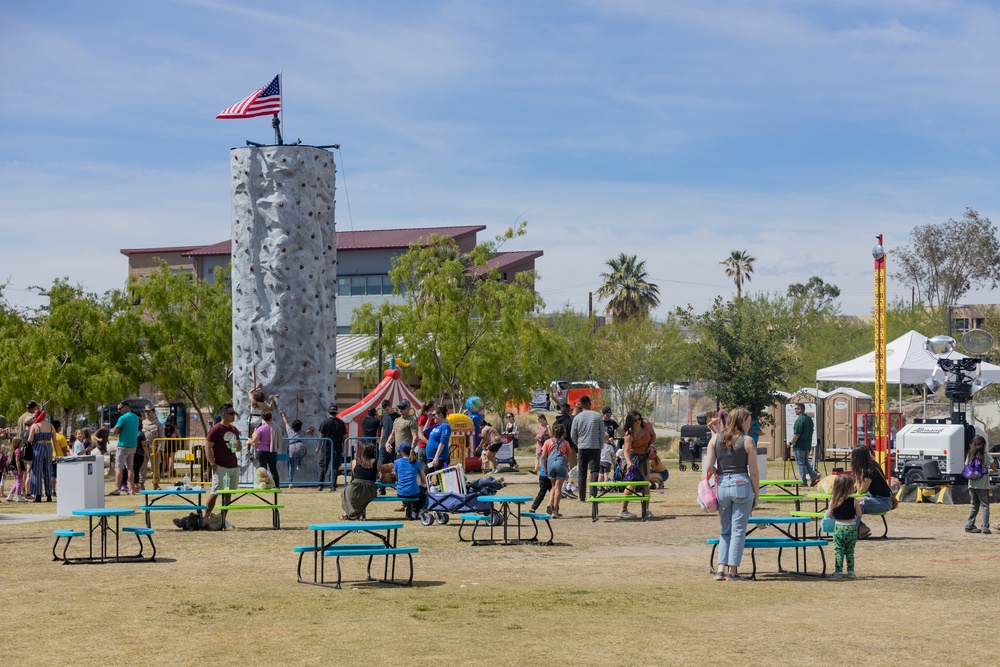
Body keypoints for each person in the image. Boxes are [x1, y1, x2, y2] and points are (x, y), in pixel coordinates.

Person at [703, 406, 759, 581]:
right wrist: (757, 494)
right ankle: (732, 571)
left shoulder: (715, 439)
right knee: (738, 530)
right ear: (741, 421)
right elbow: (755, 472)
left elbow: (709, 468)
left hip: (722, 485)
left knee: (725, 529)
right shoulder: (748, 441)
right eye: (748, 422)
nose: (749, 426)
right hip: (742, 483)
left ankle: (720, 569)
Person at [202, 403, 242, 526]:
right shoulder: (216, 429)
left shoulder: (234, 429)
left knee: (228, 495)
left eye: (234, 413)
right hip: (220, 466)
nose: (233, 415)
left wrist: (238, 446)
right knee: (214, 493)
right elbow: (207, 447)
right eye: (231, 413)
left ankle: (222, 519)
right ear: (223, 414)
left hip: (233, 466)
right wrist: (213, 464)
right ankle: (205, 518)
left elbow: (239, 449)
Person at [850, 446, 894, 539]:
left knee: (859, 504)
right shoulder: (871, 465)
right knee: (848, 503)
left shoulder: (869, 470)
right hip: (875, 498)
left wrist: (858, 475)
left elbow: (861, 490)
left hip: (884, 501)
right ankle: (861, 527)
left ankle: (851, 532)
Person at [619, 410, 656, 519]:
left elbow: (653, 436)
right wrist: (629, 463)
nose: (638, 421)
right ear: (631, 421)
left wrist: (652, 446)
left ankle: (646, 509)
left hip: (644, 456)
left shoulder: (646, 425)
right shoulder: (629, 434)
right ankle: (623, 510)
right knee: (632, 483)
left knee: (645, 481)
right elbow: (626, 451)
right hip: (633, 457)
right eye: (635, 420)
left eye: (639, 418)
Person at [570, 395, 604, 502]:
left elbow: (573, 434)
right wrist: (600, 445)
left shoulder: (577, 417)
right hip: (594, 447)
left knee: (582, 472)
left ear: (580, 404)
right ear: (589, 403)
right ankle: (593, 494)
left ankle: (581, 496)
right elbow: (602, 433)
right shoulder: (597, 416)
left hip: (582, 447)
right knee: (594, 471)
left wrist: (578, 443)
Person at [827, 474, 862, 579]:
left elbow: (829, 515)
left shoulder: (834, 500)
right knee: (850, 551)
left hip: (839, 528)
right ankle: (851, 572)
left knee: (839, 551)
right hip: (851, 527)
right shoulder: (854, 501)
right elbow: (859, 514)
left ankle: (838, 572)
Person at [965, 435, 995, 534]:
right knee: (985, 505)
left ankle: (969, 525)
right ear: (984, 444)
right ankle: (984, 527)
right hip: (983, 485)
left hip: (971, 484)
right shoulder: (985, 455)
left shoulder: (970, 454)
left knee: (974, 505)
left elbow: (966, 466)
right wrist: (987, 469)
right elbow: (994, 467)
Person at [340, 442, 378, 520]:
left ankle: (347, 513)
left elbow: (354, 474)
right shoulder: (376, 462)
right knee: (361, 498)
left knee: (345, 493)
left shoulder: (355, 461)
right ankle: (349, 514)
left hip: (355, 487)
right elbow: (377, 475)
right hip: (369, 490)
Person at [109, 400, 139, 496]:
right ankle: (132, 490)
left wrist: (119, 430)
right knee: (130, 468)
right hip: (133, 445)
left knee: (118, 467)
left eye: (120, 408)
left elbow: (115, 431)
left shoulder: (123, 418)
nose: (118, 411)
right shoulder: (136, 417)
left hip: (123, 445)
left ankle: (117, 489)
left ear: (126, 407)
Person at [541, 423, 571, 518]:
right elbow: (567, 458)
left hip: (550, 464)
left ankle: (550, 503)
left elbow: (543, 456)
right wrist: (567, 469)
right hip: (560, 464)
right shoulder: (565, 443)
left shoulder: (547, 442)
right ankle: (555, 510)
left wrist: (545, 468)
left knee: (553, 486)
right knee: (558, 488)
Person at [27, 409, 55, 503]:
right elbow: (54, 440)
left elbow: (30, 440)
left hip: (37, 448)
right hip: (48, 448)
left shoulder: (35, 426)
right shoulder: (50, 426)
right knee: (48, 471)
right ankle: (49, 495)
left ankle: (38, 495)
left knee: (37, 472)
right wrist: (57, 453)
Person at [393, 442, 426, 520]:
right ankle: (419, 510)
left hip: (401, 492)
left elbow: (396, 477)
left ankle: (414, 511)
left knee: (415, 490)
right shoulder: (417, 463)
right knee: (423, 490)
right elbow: (424, 480)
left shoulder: (397, 462)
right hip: (414, 492)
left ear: (402, 452)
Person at [317, 405, 347, 492]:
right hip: (337, 448)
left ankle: (320, 485)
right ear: (336, 412)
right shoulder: (341, 423)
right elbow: (344, 436)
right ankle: (333, 486)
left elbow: (321, 436)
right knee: (334, 467)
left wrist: (318, 447)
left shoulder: (325, 422)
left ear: (329, 412)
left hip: (326, 447)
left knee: (323, 466)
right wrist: (344, 447)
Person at [249, 411, 281, 489]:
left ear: (263, 418)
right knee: (273, 470)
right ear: (271, 418)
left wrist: (251, 441)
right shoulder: (276, 428)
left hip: (261, 451)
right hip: (272, 451)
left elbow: (255, 440)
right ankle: (276, 486)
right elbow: (280, 439)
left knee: (262, 471)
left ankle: (263, 486)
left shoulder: (260, 428)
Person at [789, 403, 819, 486]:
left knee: (800, 463)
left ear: (801, 409)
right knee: (805, 462)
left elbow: (797, 434)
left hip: (800, 445)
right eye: (795, 409)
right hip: (807, 444)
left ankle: (803, 481)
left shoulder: (800, 420)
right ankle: (814, 477)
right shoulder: (809, 419)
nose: (795, 410)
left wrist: (790, 443)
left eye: (797, 408)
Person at [280, 412, 313, 485]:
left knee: (291, 466)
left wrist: (283, 416)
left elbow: (286, 423)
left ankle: (290, 482)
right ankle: (299, 463)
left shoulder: (289, 430)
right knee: (303, 453)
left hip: (291, 447)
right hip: (300, 446)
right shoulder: (301, 432)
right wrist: (311, 429)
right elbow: (307, 432)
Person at [142, 406, 165, 484]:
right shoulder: (142, 423)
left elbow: (162, 438)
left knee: (155, 467)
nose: (147, 413)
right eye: (146, 411)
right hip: (144, 448)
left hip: (154, 449)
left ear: (153, 412)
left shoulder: (158, 424)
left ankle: (156, 483)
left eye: (148, 411)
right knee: (143, 466)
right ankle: (141, 483)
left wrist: (160, 449)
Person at [426, 406, 452, 473]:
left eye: (434, 415)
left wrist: (436, 457)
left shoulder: (445, 426)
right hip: (431, 458)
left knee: (441, 479)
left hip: (440, 458)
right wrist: (429, 419)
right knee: (425, 475)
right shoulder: (437, 426)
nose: (433, 416)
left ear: (440, 414)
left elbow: (442, 442)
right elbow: (425, 431)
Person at [51, 419, 70, 497]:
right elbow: (64, 449)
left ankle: (53, 491)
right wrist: (66, 458)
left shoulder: (49, 437)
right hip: (60, 458)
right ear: (58, 427)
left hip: (51, 458)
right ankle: (62, 489)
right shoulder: (61, 437)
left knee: (53, 476)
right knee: (61, 476)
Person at [7, 437, 28, 502]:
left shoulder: (13, 450)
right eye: (21, 442)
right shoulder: (18, 450)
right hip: (17, 468)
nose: (22, 443)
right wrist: (19, 470)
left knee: (16, 482)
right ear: (18, 443)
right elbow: (17, 461)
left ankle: (10, 495)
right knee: (19, 482)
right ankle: (18, 496)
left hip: (14, 468)